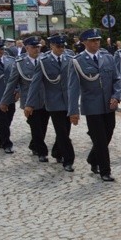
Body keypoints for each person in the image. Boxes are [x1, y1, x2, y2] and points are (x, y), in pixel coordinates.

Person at [68, 29, 120, 182]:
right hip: (92, 106)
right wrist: (73, 111)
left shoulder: (108, 58)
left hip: (108, 104)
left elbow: (117, 80)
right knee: (100, 138)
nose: (96, 43)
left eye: (98, 40)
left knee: (108, 133)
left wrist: (116, 96)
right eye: (92, 40)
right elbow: (73, 88)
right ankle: (105, 170)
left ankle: (92, 157)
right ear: (84, 42)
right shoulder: (77, 61)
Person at [26, 34, 75, 171]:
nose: (61, 49)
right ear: (52, 46)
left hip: (69, 101)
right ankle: (68, 160)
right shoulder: (44, 61)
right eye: (58, 46)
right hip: (53, 102)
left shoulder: (70, 59)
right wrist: (29, 104)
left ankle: (57, 152)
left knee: (66, 130)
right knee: (62, 132)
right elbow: (35, 84)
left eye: (63, 46)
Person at [1, 36, 48, 162]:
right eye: (33, 47)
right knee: (36, 126)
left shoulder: (46, 59)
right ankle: (42, 152)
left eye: (38, 47)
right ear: (26, 48)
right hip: (29, 101)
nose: (36, 49)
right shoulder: (20, 63)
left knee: (43, 126)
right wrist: (5, 101)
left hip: (46, 99)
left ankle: (34, 145)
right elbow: (12, 83)